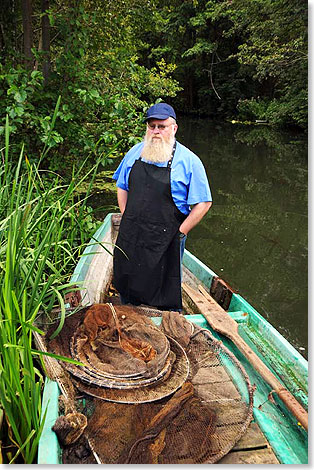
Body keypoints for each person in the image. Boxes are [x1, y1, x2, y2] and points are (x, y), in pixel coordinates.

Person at [112, 102, 212, 310]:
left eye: (162, 126)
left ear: (174, 128)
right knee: (128, 275)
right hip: (133, 231)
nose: (156, 131)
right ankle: (128, 309)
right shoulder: (135, 152)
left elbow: (203, 203)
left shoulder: (189, 161)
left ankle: (165, 318)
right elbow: (121, 185)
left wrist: (181, 233)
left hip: (167, 236)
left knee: (164, 284)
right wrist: (126, 214)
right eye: (152, 126)